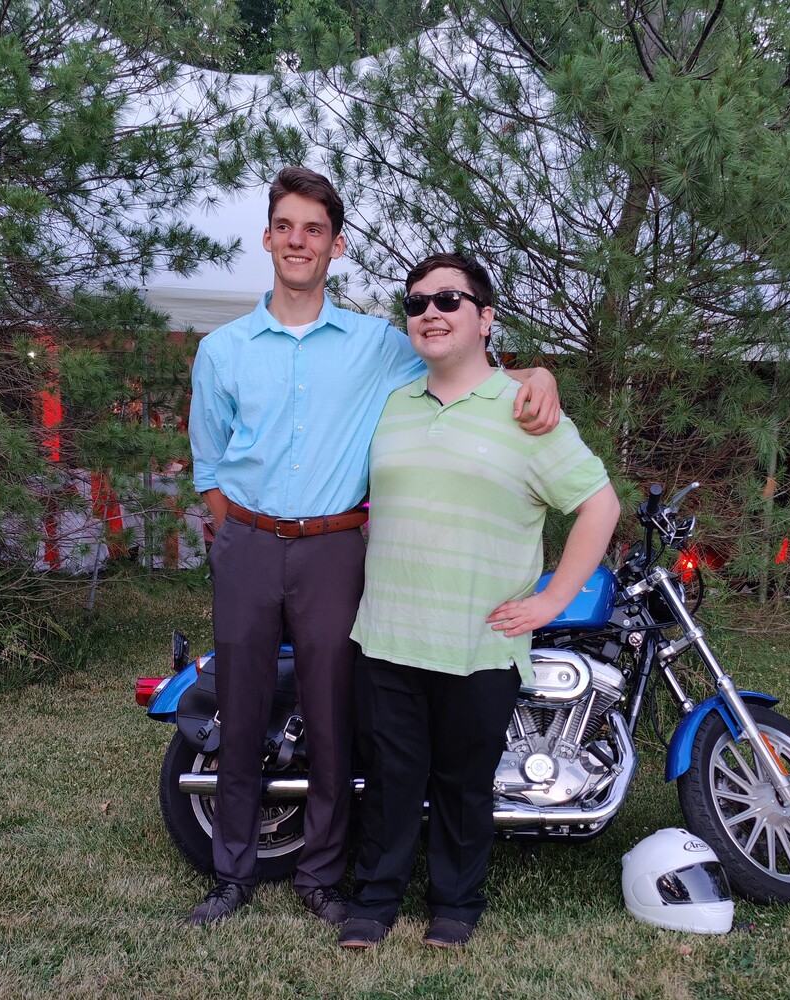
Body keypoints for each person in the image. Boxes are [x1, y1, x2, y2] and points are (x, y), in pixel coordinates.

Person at [185, 170, 560, 927]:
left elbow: (463, 363)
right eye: (285, 226)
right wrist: (228, 526)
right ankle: (231, 873)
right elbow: (208, 462)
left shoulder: (375, 345)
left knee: (332, 720)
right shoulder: (221, 350)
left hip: (334, 551)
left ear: (336, 245)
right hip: (251, 544)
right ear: (267, 238)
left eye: (314, 229)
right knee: (243, 712)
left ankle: (322, 875)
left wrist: (537, 373)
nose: (298, 241)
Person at [339, 253, 621, 949]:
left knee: (465, 783)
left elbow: (599, 505)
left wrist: (554, 598)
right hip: (387, 633)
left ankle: (456, 905)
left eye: (449, 299)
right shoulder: (392, 403)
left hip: (479, 640)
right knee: (390, 777)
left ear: (486, 317)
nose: (430, 312)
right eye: (416, 303)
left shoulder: (526, 411)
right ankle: (374, 901)